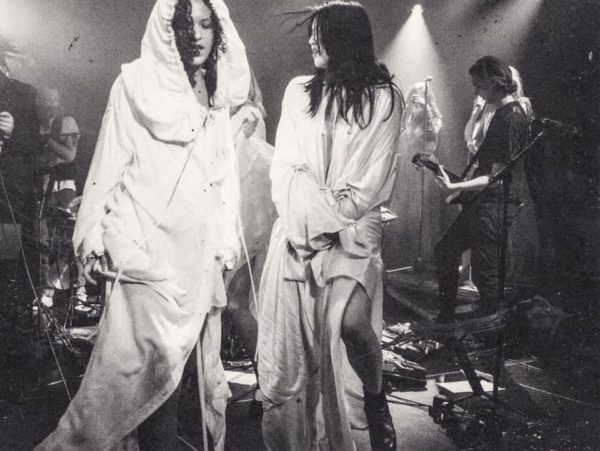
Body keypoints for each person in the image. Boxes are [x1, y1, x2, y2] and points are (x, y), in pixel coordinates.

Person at [35, 0, 249, 449]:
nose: (197, 36)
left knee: (171, 382)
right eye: (186, 26)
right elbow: (108, 160)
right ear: (168, 29)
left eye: (206, 25)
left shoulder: (216, 92)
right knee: (140, 386)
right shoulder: (134, 84)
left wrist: (224, 240)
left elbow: (222, 173)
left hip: (193, 260)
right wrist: (92, 236)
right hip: (143, 252)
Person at [257, 2, 403, 450]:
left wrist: (329, 214)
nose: (310, 41)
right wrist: (310, 217)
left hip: (355, 226)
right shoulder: (298, 92)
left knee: (353, 325)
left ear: (344, 38)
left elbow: (371, 180)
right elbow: (286, 169)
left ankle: (375, 396)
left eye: (319, 33)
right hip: (302, 227)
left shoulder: (385, 98)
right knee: (305, 344)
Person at [434, 56, 529, 321]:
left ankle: (481, 331)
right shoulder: (502, 113)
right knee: (448, 251)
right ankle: (448, 317)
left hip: (494, 206)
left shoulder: (511, 117)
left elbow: (496, 175)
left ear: (495, 82)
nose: (476, 91)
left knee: (485, 275)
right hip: (486, 203)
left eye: (479, 85)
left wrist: (456, 184)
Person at [225, 70, 276, 416]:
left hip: (247, 222)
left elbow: (243, 169)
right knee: (234, 305)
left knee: (236, 305)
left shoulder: (249, 114)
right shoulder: (241, 114)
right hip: (243, 221)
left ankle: (267, 382)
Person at [34, 87, 85, 308]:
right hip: (43, 188)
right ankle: (46, 292)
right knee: (43, 241)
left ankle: (80, 290)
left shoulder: (66, 121)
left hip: (64, 188)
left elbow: (70, 154)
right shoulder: (35, 124)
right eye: (44, 99)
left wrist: (47, 142)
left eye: (52, 99)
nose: (48, 104)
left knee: (69, 239)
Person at [0, 37, 39, 288]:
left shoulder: (23, 93)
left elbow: (35, 142)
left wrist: (13, 131)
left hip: (8, 193)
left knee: (7, 258)